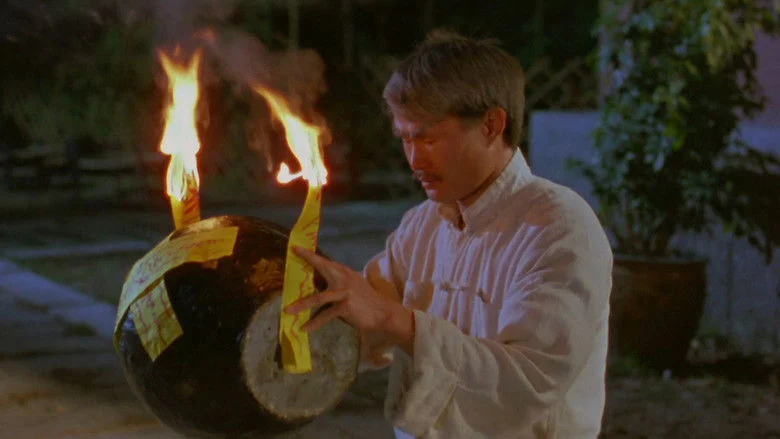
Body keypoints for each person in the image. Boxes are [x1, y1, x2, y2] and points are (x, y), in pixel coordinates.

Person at [286, 30, 613, 439]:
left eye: (428, 137)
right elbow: (362, 322)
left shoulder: (558, 227)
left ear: (492, 125)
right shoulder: (422, 225)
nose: (414, 159)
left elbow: (527, 382)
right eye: (405, 138)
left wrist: (394, 319)